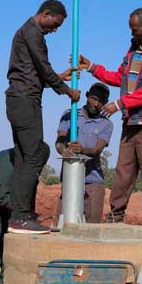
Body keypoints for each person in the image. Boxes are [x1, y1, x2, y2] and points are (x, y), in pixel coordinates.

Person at [78, 8, 142, 227]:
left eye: (135, 29)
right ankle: (116, 216)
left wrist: (120, 103)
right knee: (123, 171)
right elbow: (119, 78)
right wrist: (92, 67)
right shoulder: (134, 49)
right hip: (129, 120)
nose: (131, 33)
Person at [5, 0, 81, 234]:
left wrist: (58, 77)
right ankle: (19, 217)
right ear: (46, 14)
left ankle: (22, 214)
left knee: (27, 156)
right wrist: (67, 90)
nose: (54, 30)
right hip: (25, 102)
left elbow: (33, 73)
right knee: (34, 154)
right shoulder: (32, 32)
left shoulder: (27, 32)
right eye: (54, 24)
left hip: (22, 99)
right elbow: (42, 66)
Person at [0, 144, 49, 284]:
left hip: (5, 196)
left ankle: (6, 274)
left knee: (8, 231)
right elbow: (2, 197)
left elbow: (28, 193)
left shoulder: (31, 166)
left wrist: (29, 214)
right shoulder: (8, 163)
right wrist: (21, 212)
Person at [55, 83, 114, 223]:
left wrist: (82, 150)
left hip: (93, 181)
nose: (96, 104)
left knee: (91, 228)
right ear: (87, 95)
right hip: (70, 178)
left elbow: (97, 150)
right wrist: (64, 150)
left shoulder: (106, 124)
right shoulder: (70, 115)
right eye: (93, 99)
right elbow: (59, 141)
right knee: (64, 223)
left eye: (101, 102)